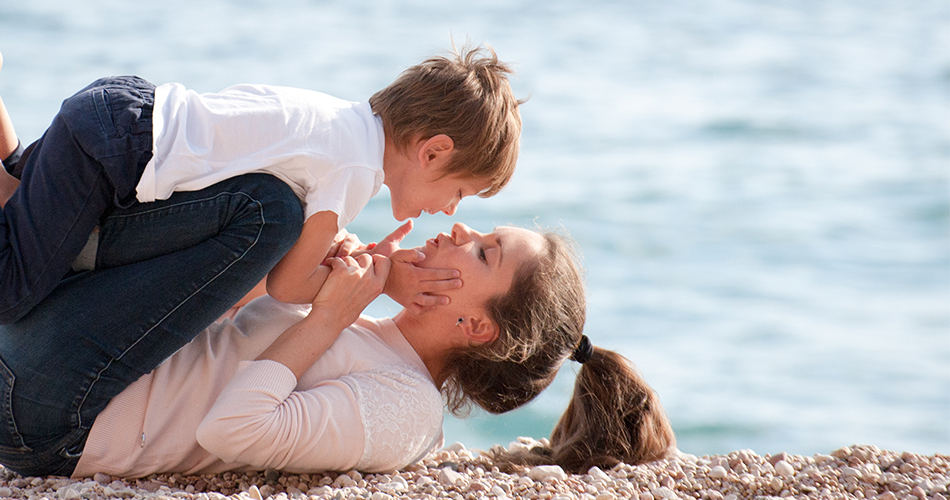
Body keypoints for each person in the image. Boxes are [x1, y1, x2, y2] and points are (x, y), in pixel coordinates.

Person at [0, 221, 675, 478]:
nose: (459, 228)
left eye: (483, 250)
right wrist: (308, 270)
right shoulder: (368, 319)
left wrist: (324, 316)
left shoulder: (406, 412)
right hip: (84, 360)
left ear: (477, 327)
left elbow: (231, 428)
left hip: (66, 417)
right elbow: (201, 327)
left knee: (261, 205)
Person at [0, 44, 522, 324]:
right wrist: (377, 279)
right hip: (112, 154)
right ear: (433, 152)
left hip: (118, 112)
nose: (452, 211)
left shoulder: (340, 121)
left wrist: (335, 252)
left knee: (15, 200)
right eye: (459, 193)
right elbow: (287, 286)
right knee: (11, 291)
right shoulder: (356, 170)